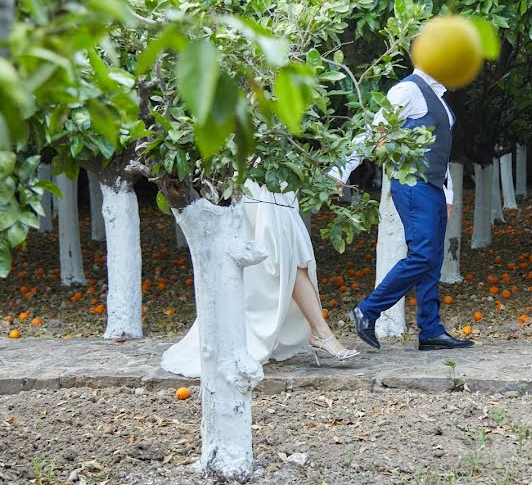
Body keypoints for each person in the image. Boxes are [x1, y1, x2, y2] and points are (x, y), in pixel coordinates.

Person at [330, 67, 474, 351]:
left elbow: (440, 151)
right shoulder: (407, 90)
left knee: (432, 260)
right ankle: (367, 310)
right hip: (411, 185)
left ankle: (431, 331)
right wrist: (340, 171)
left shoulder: (438, 95)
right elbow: (374, 131)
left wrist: (448, 194)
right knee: (421, 255)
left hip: (433, 188)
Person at [161, 181, 358, 378]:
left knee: (294, 259)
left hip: (280, 188)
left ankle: (320, 332)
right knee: (287, 260)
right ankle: (321, 333)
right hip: (260, 188)